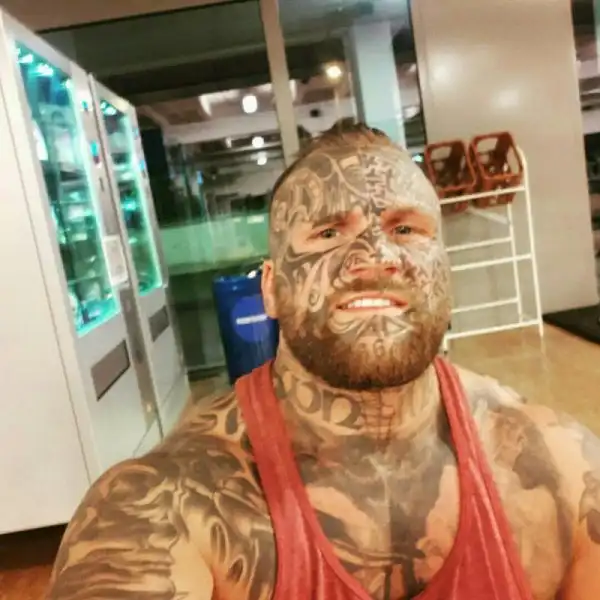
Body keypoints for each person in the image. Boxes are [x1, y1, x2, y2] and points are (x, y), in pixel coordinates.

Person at [46, 123, 600, 600]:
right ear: (269, 288)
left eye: (406, 229)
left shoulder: (563, 470)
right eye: (329, 233)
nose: (376, 257)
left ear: (444, 274)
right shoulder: (164, 504)